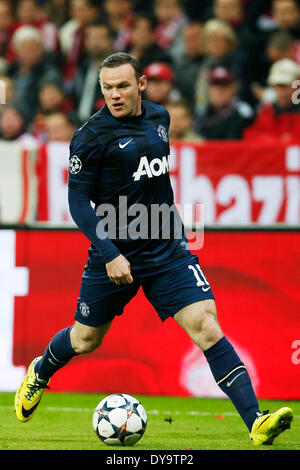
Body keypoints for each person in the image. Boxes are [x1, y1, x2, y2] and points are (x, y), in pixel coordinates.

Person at [14, 52, 294, 447]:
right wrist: (110, 253)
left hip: (166, 248)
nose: (114, 94)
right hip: (114, 255)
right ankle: (41, 371)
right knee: (85, 340)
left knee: (206, 325)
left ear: (141, 84)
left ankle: (256, 421)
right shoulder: (90, 138)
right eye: (107, 87)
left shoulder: (160, 118)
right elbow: (79, 204)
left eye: (123, 86)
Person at [243, 58, 300, 142]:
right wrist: (278, 141)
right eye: (277, 85)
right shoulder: (266, 112)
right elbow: (251, 135)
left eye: (286, 85)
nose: (281, 91)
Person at [195, 66, 254, 140]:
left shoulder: (243, 112)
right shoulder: (204, 114)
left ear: (233, 89)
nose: (220, 90)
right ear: (209, 89)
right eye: (216, 85)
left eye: (224, 85)